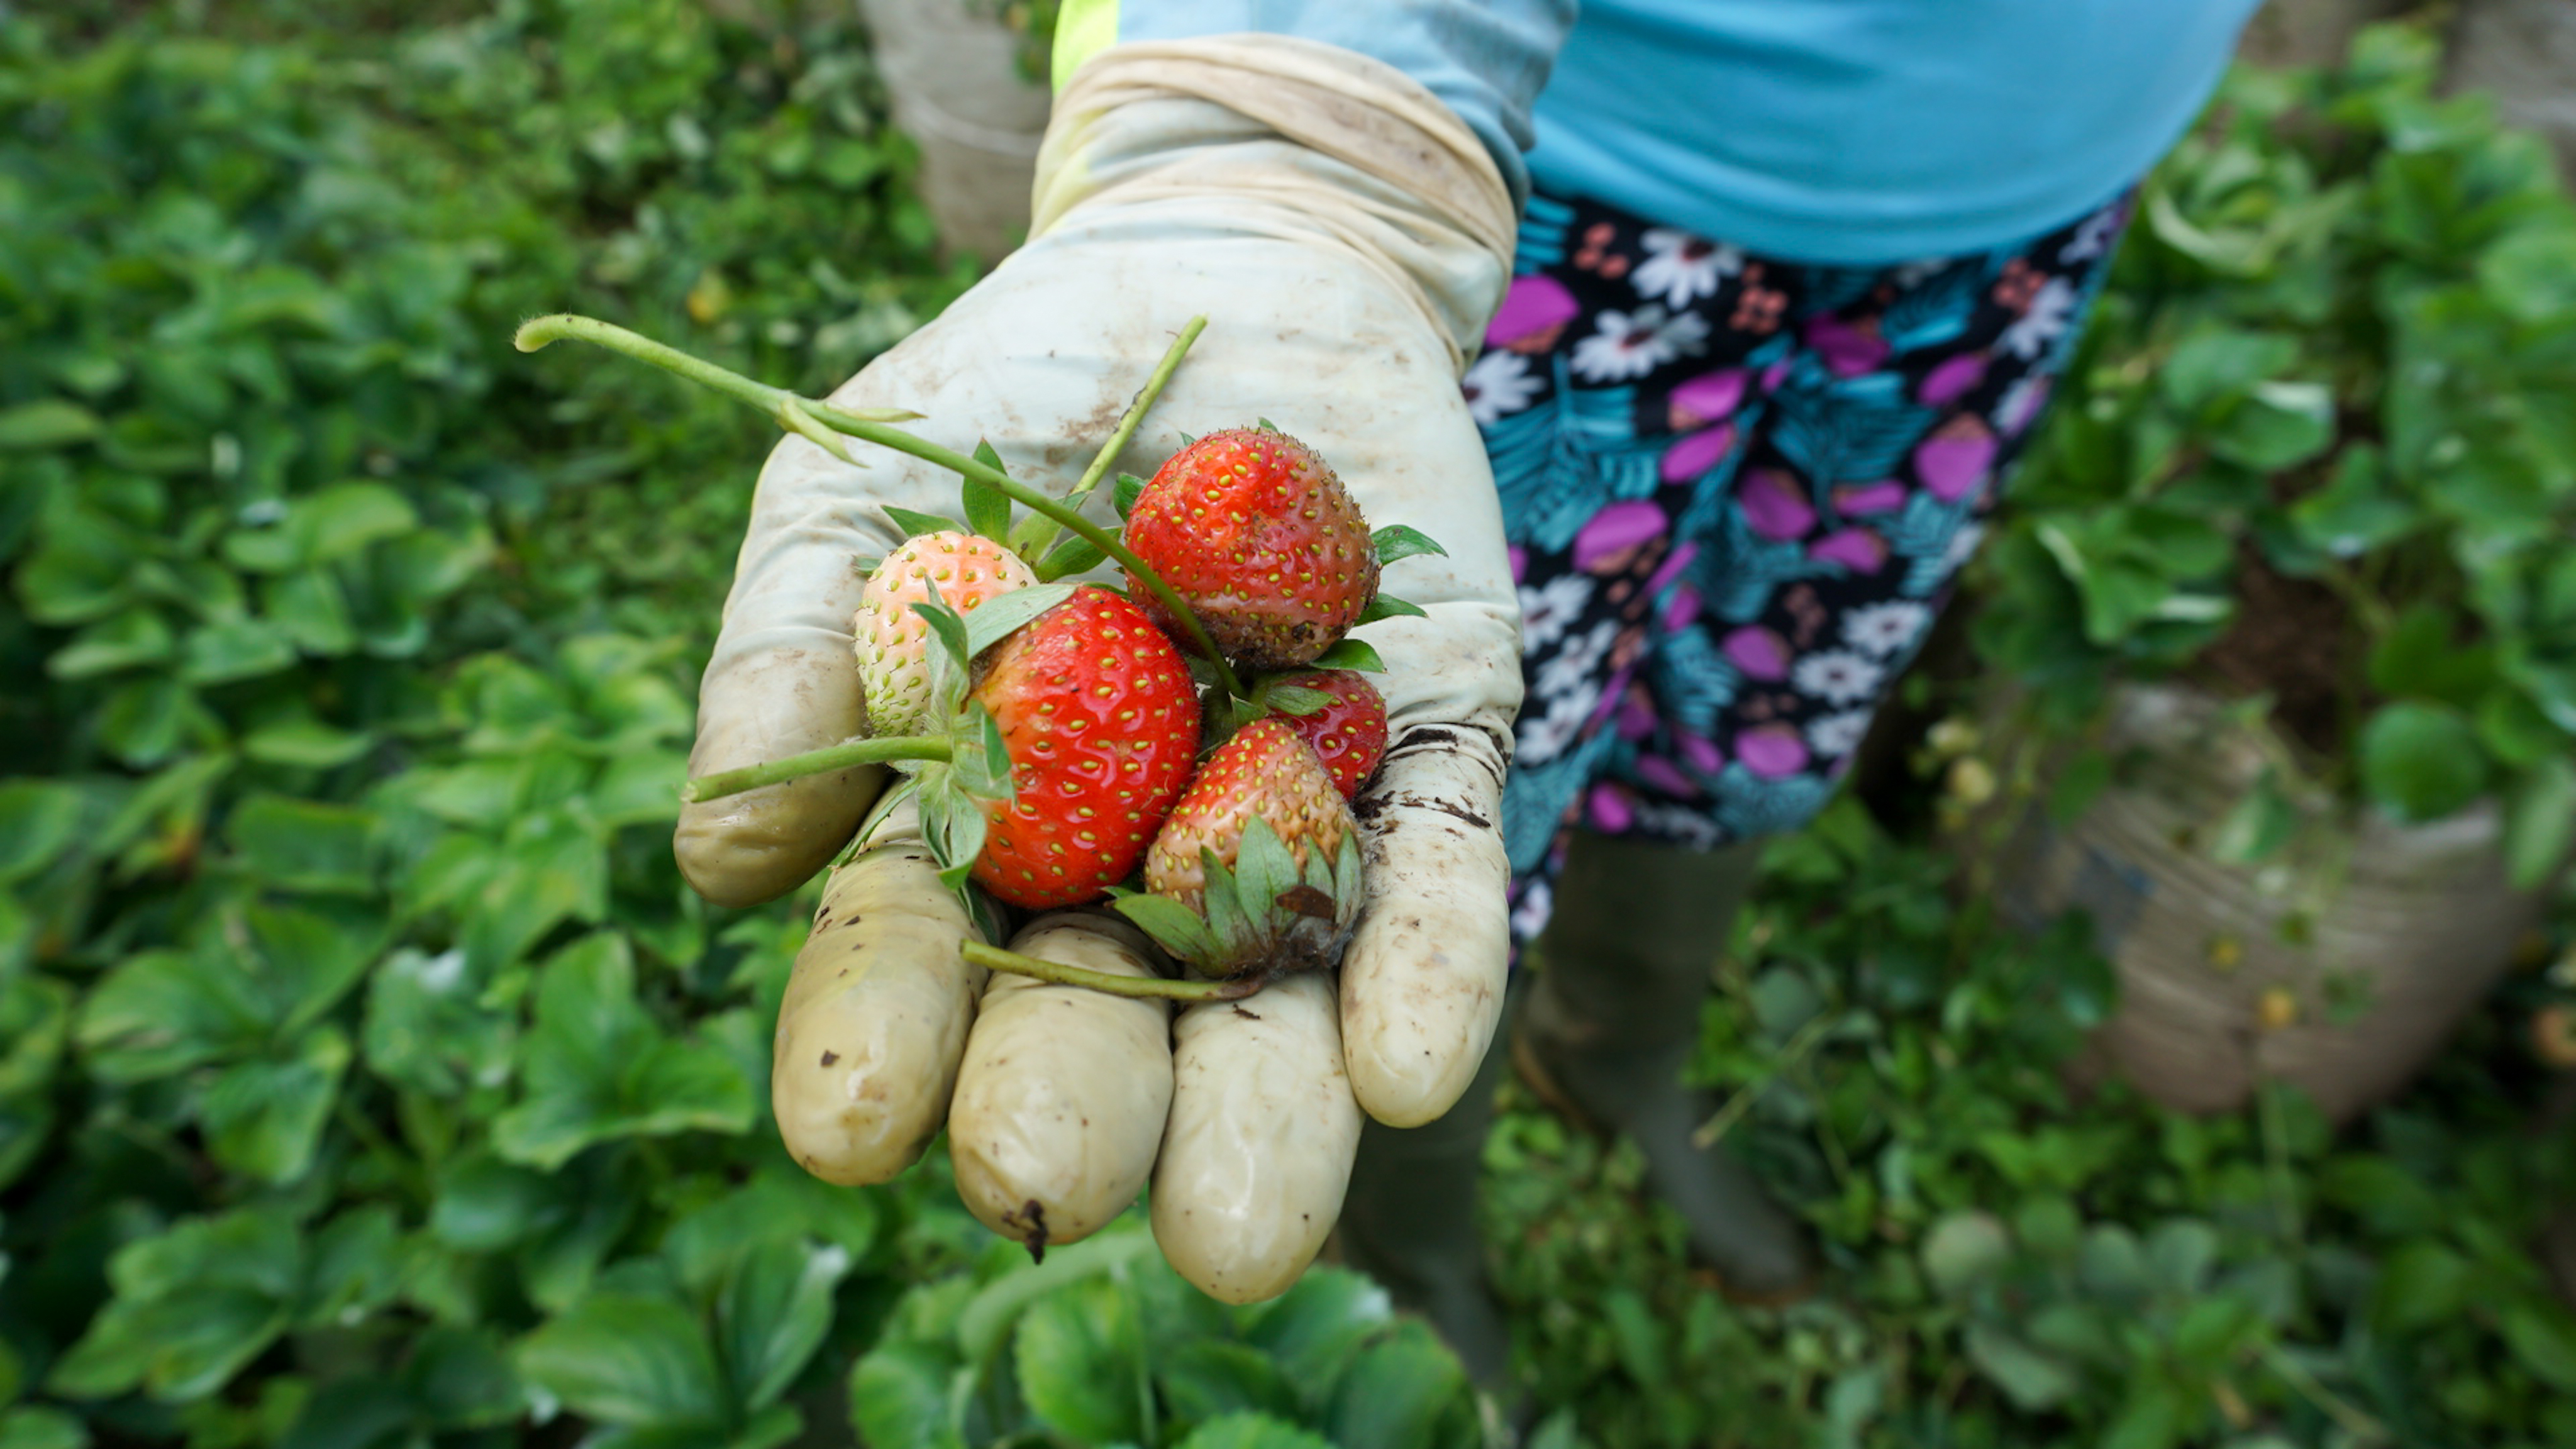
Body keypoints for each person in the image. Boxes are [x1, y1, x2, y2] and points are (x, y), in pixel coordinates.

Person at [674, 0, 2263, 1396]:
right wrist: (1280, 134)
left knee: (1755, 715)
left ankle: (1622, 1055)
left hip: (2017, 211)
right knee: (1474, 799)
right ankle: (1418, 1249)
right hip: (1532, 195)